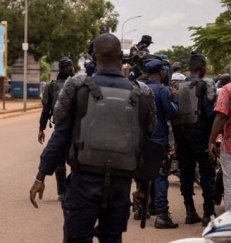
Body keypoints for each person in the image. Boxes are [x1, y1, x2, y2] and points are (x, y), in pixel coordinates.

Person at [29, 33, 157, 242]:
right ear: (121, 57)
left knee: (76, 239)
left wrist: (40, 176)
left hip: (83, 183)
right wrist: (142, 187)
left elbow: (60, 137)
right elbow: (148, 141)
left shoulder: (79, 89)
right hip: (120, 185)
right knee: (112, 239)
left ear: (93, 58)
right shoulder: (142, 93)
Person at [172, 51, 216, 226]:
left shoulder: (178, 86)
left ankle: (190, 212)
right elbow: (210, 113)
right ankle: (208, 213)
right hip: (200, 135)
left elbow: (174, 114)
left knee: (186, 173)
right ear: (202, 68)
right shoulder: (206, 85)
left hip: (181, 135)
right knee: (206, 172)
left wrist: (176, 138)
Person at [141, 60, 180, 229]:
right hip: (158, 139)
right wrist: (176, 100)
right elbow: (171, 113)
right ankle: (162, 214)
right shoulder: (163, 90)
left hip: (140, 139)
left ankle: (142, 208)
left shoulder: (138, 88)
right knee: (160, 175)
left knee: (142, 173)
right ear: (161, 73)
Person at [38, 56, 74, 202]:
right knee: (76, 161)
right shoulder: (78, 85)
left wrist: (41, 128)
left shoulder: (51, 86)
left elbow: (46, 110)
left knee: (60, 162)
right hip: (76, 129)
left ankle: (63, 191)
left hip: (60, 128)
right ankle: (71, 190)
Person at [209, 79, 231, 212]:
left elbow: (221, 116)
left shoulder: (228, 89)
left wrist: (211, 140)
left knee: (229, 182)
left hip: (229, 145)